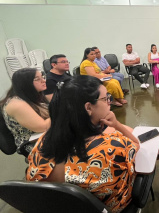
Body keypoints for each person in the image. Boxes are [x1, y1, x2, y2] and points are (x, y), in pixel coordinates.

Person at [26, 76, 140, 212]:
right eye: (105, 99)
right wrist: (117, 125)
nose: (109, 102)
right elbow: (136, 144)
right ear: (88, 107)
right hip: (109, 207)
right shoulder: (111, 146)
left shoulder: (43, 141)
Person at [0, 68, 50, 155]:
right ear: (25, 84)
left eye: (42, 76)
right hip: (33, 143)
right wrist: (60, 111)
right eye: (37, 79)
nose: (43, 80)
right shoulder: (16, 104)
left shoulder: (32, 96)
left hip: (46, 135)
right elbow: (43, 127)